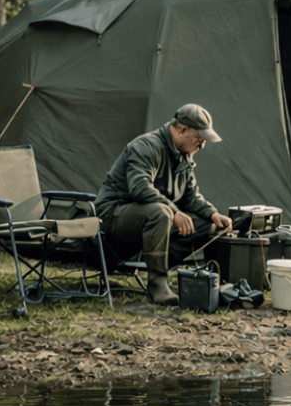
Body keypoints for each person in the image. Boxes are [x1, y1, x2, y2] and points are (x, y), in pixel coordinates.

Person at [95, 104, 232, 304]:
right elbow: (139, 187)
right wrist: (174, 212)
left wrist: (213, 214)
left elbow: (191, 196)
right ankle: (157, 283)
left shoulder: (184, 155)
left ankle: (158, 265)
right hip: (111, 216)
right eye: (199, 137)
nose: (202, 144)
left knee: (209, 226)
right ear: (181, 129)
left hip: (150, 219)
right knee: (160, 212)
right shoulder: (146, 146)